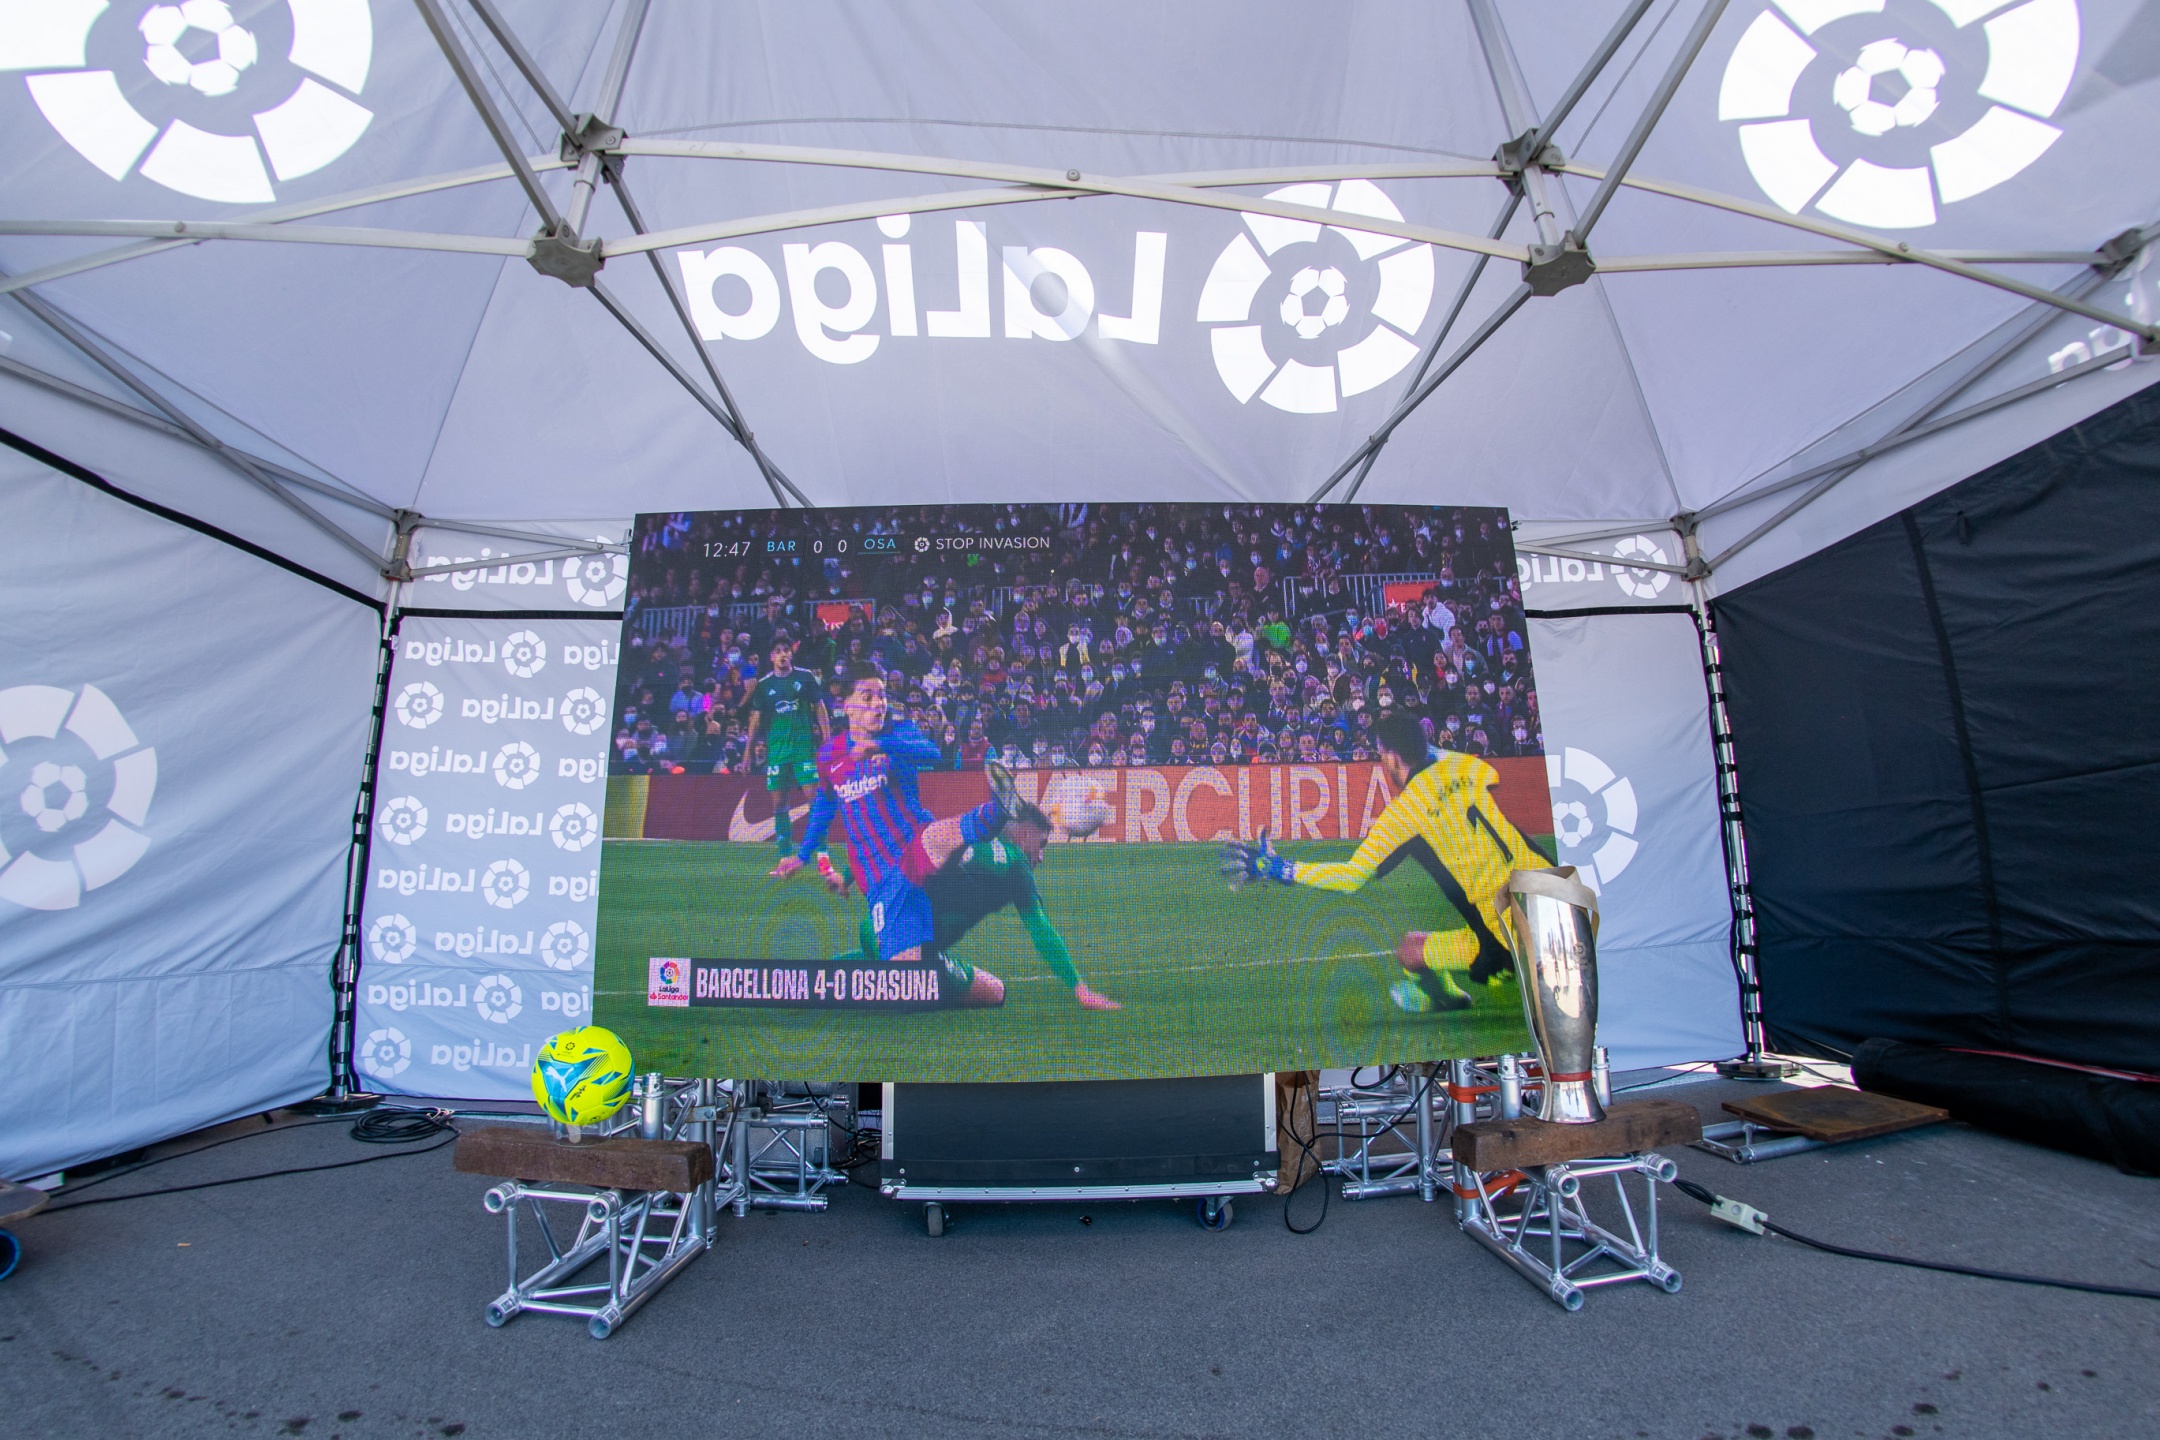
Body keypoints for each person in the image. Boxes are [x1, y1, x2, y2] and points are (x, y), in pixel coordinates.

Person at [1220, 711, 1540, 1015]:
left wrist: (1278, 868)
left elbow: (1350, 877)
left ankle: (1459, 991)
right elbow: (1474, 772)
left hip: (1508, 935)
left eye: (1382, 755)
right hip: (1549, 896)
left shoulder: (1404, 814)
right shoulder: (1466, 765)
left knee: (1409, 952)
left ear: (1392, 757)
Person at [773, 675, 1039, 1006]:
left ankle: (997, 810)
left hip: (916, 848)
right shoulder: (830, 755)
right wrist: (801, 856)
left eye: (881, 696)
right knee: (911, 988)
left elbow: (931, 752)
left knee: (935, 837)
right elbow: (825, 805)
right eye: (867, 697)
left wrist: (883, 746)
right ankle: (923, 967)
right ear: (847, 706)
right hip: (884, 881)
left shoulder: (898, 733)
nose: (878, 704)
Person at [847, 811, 1121, 1011]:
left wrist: (847, 876)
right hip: (916, 955)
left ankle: (851, 967)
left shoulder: (963, 832)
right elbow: (1041, 930)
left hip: (874, 931)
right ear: (1024, 832)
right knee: (995, 991)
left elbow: (900, 847)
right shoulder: (1015, 862)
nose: (1040, 856)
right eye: (1041, 844)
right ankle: (893, 979)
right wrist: (1080, 989)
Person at [742, 640, 829, 859]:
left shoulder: (805, 677)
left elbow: (819, 707)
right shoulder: (764, 685)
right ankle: (785, 856)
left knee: (815, 800)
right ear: (771, 657)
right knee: (779, 804)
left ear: (791, 655)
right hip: (777, 753)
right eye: (778, 651)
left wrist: (827, 738)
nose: (782, 654)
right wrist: (747, 753)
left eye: (786, 650)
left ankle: (822, 855)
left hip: (803, 750)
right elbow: (755, 719)